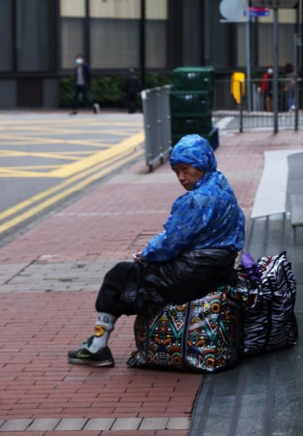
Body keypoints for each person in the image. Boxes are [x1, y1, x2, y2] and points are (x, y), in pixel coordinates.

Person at [67, 134, 246, 367]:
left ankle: (98, 346)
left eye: (186, 169)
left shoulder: (198, 199)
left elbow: (172, 241)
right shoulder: (221, 185)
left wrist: (146, 253)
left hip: (192, 274)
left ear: (202, 163)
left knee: (118, 276)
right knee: (135, 275)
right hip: (218, 269)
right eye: (176, 172)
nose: (182, 177)